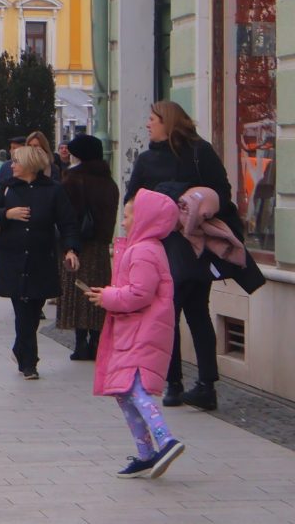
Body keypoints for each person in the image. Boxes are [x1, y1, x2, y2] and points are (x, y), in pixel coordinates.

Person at [123, 101, 236, 411]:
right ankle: (176, 383)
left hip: (196, 245)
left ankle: (204, 386)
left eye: (152, 119)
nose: (148, 124)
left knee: (194, 311)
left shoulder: (200, 152)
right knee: (169, 315)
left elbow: (223, 193)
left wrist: (194, 203)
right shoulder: (146, 160)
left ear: (168, 122)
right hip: (161, 247)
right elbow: (131, 202)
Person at [84, 190, 186, 480]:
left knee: (135, 389)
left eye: (128, 216)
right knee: (124, 391)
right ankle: (145, 453)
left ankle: (165, 439)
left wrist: (109, 297)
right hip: (132, 331)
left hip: (141, 331)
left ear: (143, 218)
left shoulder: (143, 250)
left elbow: (140, 293)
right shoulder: (143, 248)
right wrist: (109, 294)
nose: (124, 221)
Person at [0, 146, 81, 379]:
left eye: (16, 161)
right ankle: (29, 363)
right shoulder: (6, 187)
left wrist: (71, 250)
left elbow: (68, 223)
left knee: (34, 310)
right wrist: (7, 214)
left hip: (41, 259)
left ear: (29, 164)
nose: (12, 165)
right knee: (22, 309)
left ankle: (20, 348)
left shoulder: (53, 190)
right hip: (13, 259)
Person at [58, 134, 120, 361]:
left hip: (78, 245)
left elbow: (66, 214)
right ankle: (96, 341)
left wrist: (66, 243)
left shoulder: (73, 179)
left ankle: (80, 343)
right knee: (98, 291)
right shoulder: (109, 182)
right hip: (101, 246)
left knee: (77, 290)